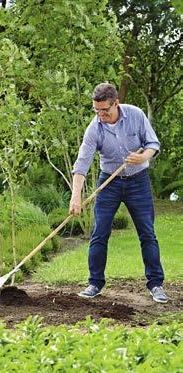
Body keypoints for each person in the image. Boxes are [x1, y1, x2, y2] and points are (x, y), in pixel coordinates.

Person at [69, 82, 168, 303]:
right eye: (97, 110)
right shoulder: (94, 127)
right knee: (99, 232)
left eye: (105, 110)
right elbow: (82, 163)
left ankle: (156, 284)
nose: (101, 115)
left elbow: (152, 143)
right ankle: (95, 283)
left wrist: (143, 157)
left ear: (116, 103)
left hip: (138, 182)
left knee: (147, 233)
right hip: (109, 183)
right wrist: (76, 196)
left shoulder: (135, 115)